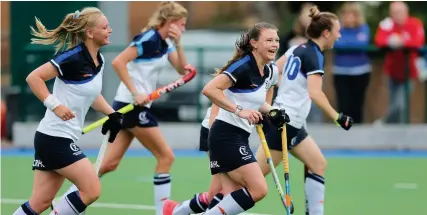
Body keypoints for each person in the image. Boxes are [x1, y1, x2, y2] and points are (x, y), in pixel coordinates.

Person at [62, 2, 191, 215]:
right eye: (182, 24)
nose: (183, 28)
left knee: (109, 163)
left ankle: (68, 198)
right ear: (169, 22)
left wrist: (178, 42)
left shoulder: (166, 42)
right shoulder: (148, 39)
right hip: (131, 105)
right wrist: (135, 91)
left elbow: (181, 69)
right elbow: (119, 62)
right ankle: (163, 211)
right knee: (166, 157)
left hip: (135, 106)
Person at [165, 22, 290, 215]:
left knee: (228, 197)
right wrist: (240, 111)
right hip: (225, 135)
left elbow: (257, 102)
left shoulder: (270, 70)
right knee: (258, 189)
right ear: (254, 43)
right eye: (269, 40)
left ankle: (177, 213)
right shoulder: (243, 66)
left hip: (239, 136)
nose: (274, 44)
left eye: (276, 40)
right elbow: (210, 89)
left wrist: (273, 111)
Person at [12, 7, 122, 215]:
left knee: (40, 202)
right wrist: (55, 105)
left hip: (56, 139)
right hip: (54, 139)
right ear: (90, 33)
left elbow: (90, 94)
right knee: (91, 189)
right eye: (105, 27)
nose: (110, 30)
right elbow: (33, 78)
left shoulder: (99, 60)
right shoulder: (72, 57)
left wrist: (112, 113)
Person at [256, 6, 353, 215]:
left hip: (291, 124)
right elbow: (315, 93)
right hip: (284, 125)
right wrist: (338, 117)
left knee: (317, 164)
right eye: (337, 30)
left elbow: (272, 72)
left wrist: (272, 103)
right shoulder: (315, 56)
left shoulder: (297, 48)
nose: (339, 34)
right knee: (252, 182)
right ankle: (212, 206)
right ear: (326, 33)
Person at [374, 1, 425, 124]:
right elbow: (379, 40)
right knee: (394, 103)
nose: (396, 15)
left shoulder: (415, 23)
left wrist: (401, 41)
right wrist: (390, 41)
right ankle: (393, 135)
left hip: (409, 72)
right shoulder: (387, 23)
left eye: (399, 12)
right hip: (391, 72)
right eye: (393, 12)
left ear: (406, 12)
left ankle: (385, 124)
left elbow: (418, 41)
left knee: (401, 105)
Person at [333, 2, 371, 124]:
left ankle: (358, 137)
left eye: (352, 14)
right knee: (343, 105)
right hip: (340, 71)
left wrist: (346, 42)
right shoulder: (337, 29)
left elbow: (362, 44)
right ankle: (343, 135)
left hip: (361, 71)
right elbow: (336, 43)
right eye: (346, 14)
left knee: (357, 105)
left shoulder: (364, 28)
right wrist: (350, 42)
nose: (349, 17)